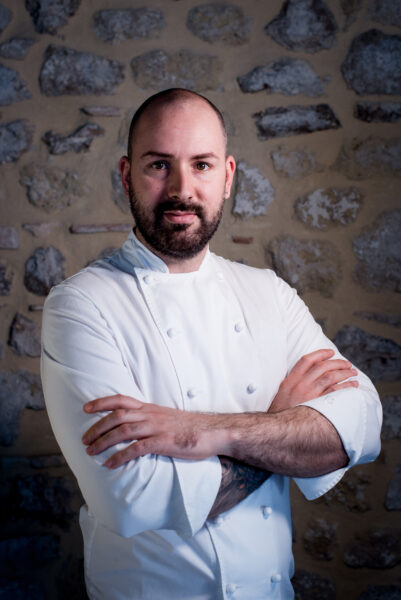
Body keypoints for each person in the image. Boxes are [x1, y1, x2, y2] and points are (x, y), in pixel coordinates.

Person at [41, 88, 382, 600]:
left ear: (227, 177)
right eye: (159, 165)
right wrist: (278, 426)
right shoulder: (81, 305)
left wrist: (202, 432)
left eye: (201, 165)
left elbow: (363, 425)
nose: (182, 189)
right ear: (126, 174)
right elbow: (132, 500)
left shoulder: (268, 293)